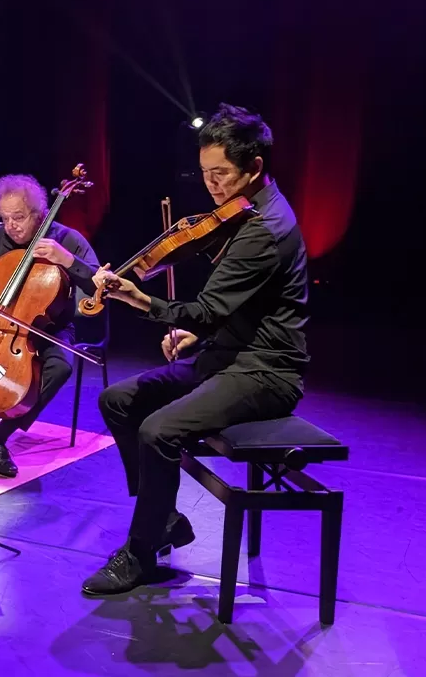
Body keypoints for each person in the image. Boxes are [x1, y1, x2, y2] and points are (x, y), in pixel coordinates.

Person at [81, 103, 309, 595]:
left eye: (222, 174)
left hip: (265, 372)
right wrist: (198, 336)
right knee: (117, 401)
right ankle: (163, 519)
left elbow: (206, 308)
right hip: (228, 354)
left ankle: (141, 552)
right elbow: (233, 309)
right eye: (205, 174)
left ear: (255, 168)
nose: (212, 186)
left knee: (158, 429)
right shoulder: (247, 212)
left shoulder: (264, 231)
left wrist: (145, 301)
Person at [0, 173, 101, 477]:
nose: (11, 225)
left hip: (50, 327)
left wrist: (66, 260)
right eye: (5, 217)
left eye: (19, 217)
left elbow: (98, 285)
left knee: (61, 368)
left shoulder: (67, 239)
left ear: (39, 215)